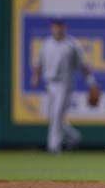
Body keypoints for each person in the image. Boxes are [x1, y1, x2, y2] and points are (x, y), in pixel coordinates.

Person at [31, 19, 98, 154]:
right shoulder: (46, 44)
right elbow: (38, 63)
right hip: (49, 84)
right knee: (52, 116)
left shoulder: (72, 45)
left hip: (65, 84)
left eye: (60, 26)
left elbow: (83, 65)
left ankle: (53, 147)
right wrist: (36, 77)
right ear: (52, 28)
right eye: (55, 26)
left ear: (64, 28)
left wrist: (91, 82)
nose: (58, 29)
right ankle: (74, 137)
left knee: (56, 115)